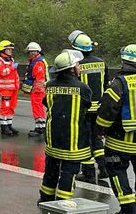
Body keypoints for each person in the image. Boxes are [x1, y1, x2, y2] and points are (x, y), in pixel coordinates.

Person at [96, 44, 136, 214]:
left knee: (115, 170)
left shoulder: (120, 83)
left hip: (120, 142)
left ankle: (128, 209)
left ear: (126, 61)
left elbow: (107, 110)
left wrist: (99, 129)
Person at [39, 49, 91, 203]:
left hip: (53, 139)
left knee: (50, 172)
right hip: (73, 142)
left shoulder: (49, 86)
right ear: (72, 68)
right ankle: (63, 203)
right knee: (68, 173)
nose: (79, 67)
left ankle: (45, 200)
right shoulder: (83, 88)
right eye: (77, 65)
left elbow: (46, 103)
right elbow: (87, 107)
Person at [68, 30, 109, 182]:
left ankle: (88, 172)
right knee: (97, 138)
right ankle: (103, 168)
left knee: (85, 140)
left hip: (83, 108)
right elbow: (105, 85)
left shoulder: (75, 65)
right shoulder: (101, 62)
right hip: (99, 108)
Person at [22, 42, 49, 138]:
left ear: (35, 52)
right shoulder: (37, 61)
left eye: (30, 52)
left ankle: (39, 129)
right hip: (39, 89)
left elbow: (38, 78)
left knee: (37, 109)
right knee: (39, 108)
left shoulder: (38, 63)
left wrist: (32, 87)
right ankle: (41, 127)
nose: (30, 54)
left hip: (38, 90)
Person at [0, 40, 20, 137]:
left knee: (11, 107)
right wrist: (12, 67)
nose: (10, 51)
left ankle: (9, 125)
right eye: (8, 49)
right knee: (5, 107)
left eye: (10, 49)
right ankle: (4, 127)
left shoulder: (11, 60)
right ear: (2, 50)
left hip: (13, 88)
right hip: (5, 89)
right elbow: (3, 73)